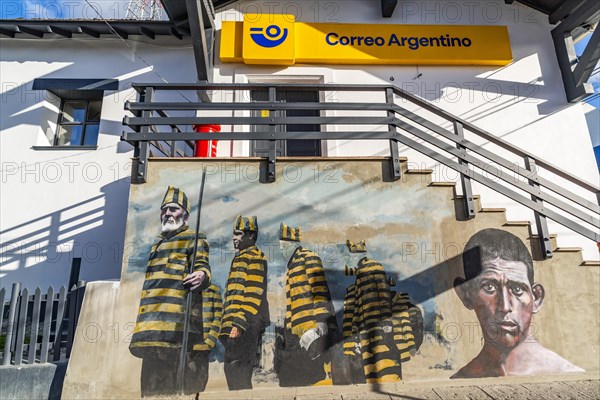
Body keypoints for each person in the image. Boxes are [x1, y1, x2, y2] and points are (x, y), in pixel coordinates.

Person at [452, 228, 584, 379]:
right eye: (489, 287)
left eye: (517, 289)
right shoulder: (461, 378)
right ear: (466, 295)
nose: (505, 307)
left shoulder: (567, 374)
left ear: (536, 298)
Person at [129, 186, 212, 397]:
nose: (167, 213)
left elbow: (203, 267)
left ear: (185, 214)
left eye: (173, 209)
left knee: (172, 389)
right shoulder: (156, 245)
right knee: (149, 390)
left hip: (176, 331)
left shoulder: (194, 238)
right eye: (164, 209)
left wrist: (202, 275)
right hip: (150, 332)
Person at [275, 223, 338, 387]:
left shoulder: (309, 257)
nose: (282, 249)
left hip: (310, 329)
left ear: (293, 244)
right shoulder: (291, 268)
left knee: (314, 374)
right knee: (298, 378)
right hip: (295, 333)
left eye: (284, 245)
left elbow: (319, 289)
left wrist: (321, 320)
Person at [219, 215, 269, 390]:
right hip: (233, 326)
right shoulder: (239, 258)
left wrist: (239, 324)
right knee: (231, 371)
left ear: (251, 236)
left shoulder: (255, 256)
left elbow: (253, 293)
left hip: (244, 326)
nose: (234, 238)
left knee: (238, 371)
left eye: (238, 234)